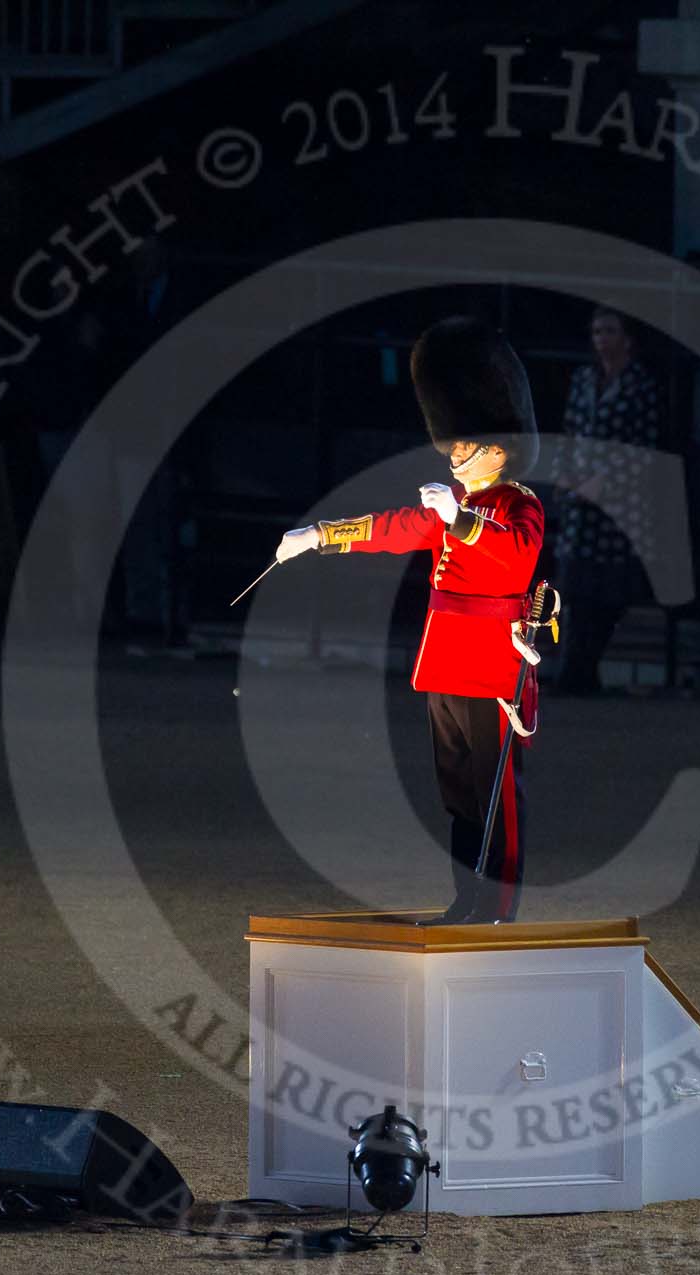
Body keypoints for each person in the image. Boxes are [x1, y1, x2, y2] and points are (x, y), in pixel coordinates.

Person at [276, 317, 544, 922]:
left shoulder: (516, 504)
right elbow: (393, 528)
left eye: (466, 445)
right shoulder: (459, 504)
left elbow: (513, 558)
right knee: (459, 794)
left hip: (491, 665)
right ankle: (467, 898)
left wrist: (460, 521)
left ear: (498, 449)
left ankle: (497, 905)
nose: (455, 454)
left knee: (495, 796)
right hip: (446, 661)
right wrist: (319, 537)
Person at [553, 307, 661, 695]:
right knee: (576, 584)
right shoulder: (584, 380)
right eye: (597, 331)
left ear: (627, 338)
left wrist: (608, 483)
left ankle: (583, 669)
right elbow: (571, 429)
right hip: (581, 495)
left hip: (616, 501)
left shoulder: (639, 384)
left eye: (610, 331)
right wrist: (566, 477)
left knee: (606, 589)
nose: (602, 338)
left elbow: (641, 444)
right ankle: (574, 671)